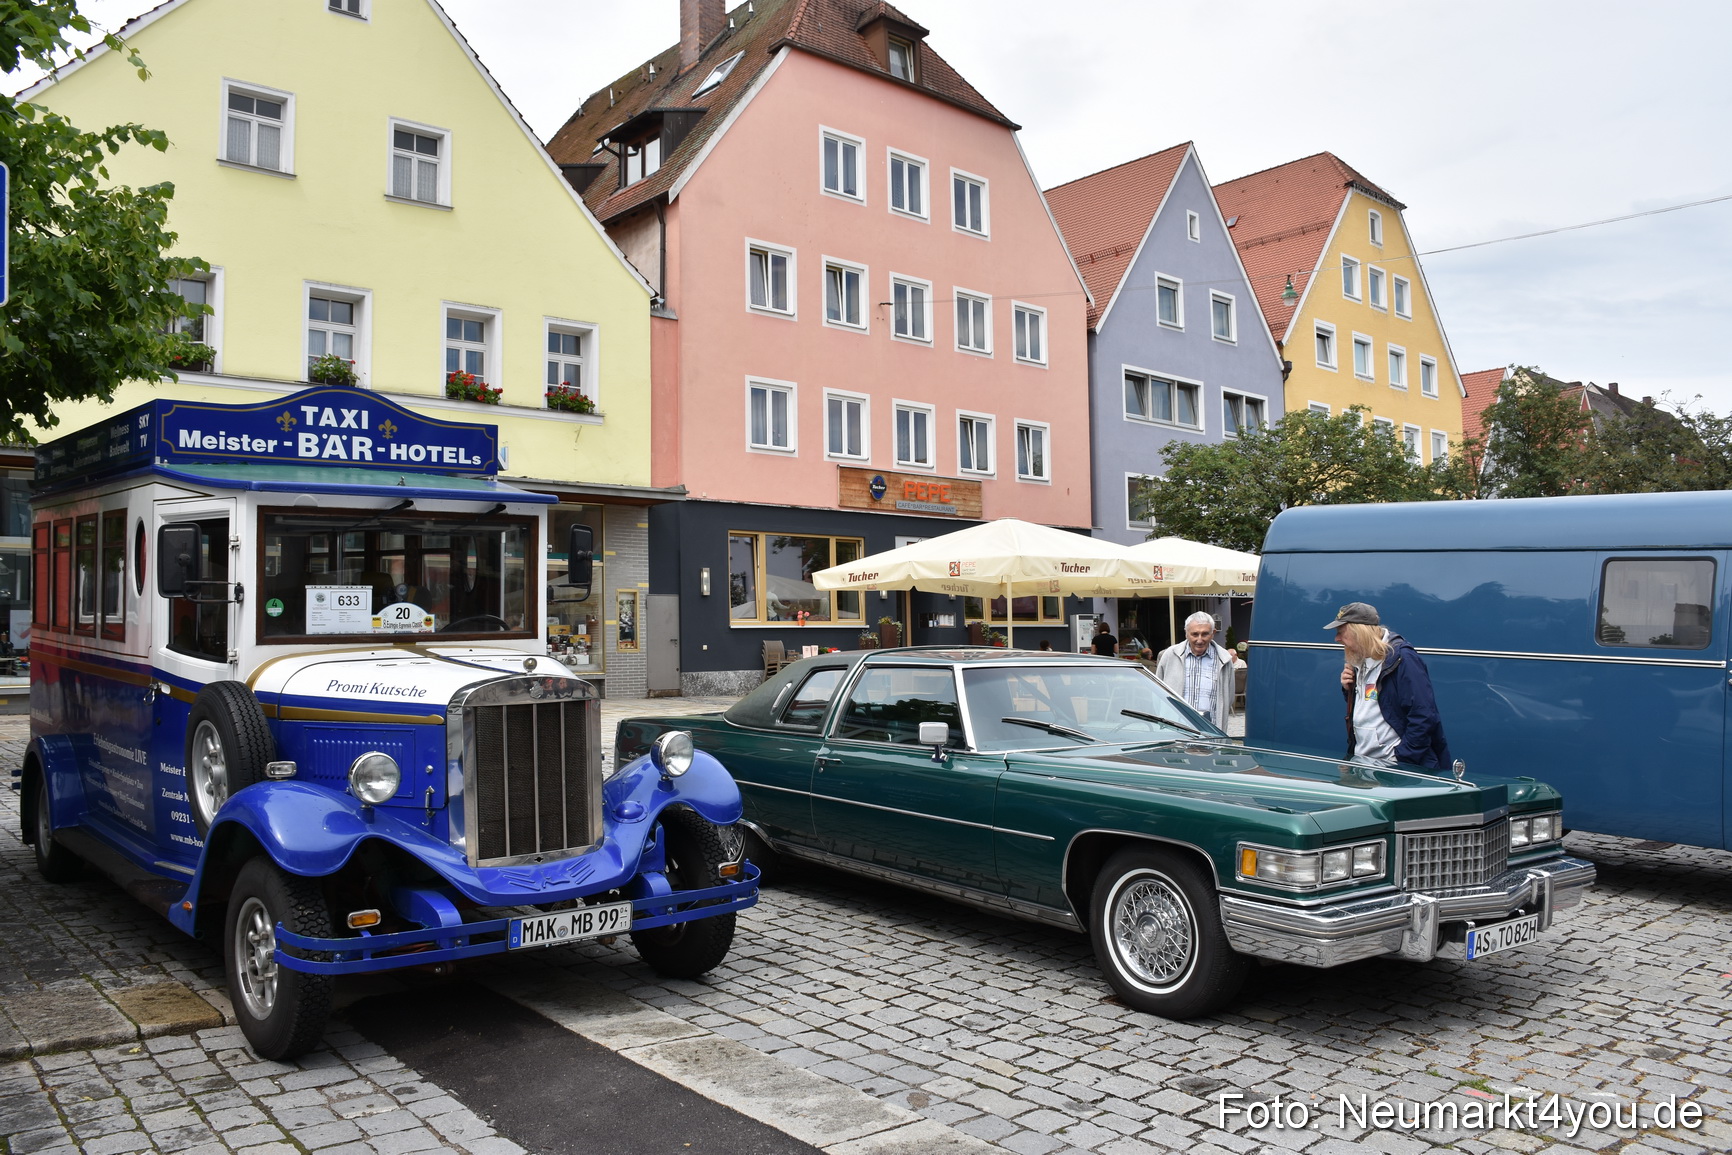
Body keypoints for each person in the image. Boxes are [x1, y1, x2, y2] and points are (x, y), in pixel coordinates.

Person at [1326, 602, 1452, 770]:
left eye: (1341, 632)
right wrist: (1348, 690)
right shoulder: (1361, 657)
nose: (1337, 639)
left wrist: (1402, 760)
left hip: (1392, 768)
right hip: (1366, 763)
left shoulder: (1402, 658)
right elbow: (1374, 704)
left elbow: (1424, 716)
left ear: (1359, 631)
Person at [1154, 611, 1235, 729]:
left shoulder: (1224, 659)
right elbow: (1157, 692)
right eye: (1195, 634)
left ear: (1213, 633)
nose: (1200, 639)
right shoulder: (1170, 655)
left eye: (1205, 634)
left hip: (1210, 731)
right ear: (1186, 633)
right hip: (1176, 729)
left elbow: (1229, 697)